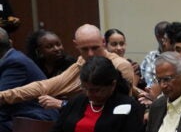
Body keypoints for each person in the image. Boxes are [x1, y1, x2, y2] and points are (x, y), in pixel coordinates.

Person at [0, 24, 136, 110]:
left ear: (103, 42)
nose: (90, 54)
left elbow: (119, 108)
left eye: (95, 48)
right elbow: (45, 86)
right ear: (76, 45)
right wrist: (4, 96)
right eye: (84, 49)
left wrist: (62, 105)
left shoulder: (120, 65)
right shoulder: (82, 62)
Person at [0, 27, 57, 132]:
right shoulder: (11, 58)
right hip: (19, 117)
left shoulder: (14, 63)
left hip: (36, 121)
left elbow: (2, 101)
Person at [139, 20, 170, 88]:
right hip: (148, 93)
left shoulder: (178, 57)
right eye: (160, 36)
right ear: (156, 36)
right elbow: (141, 78)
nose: (163, 40)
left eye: (166, 36)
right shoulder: (150, 56)